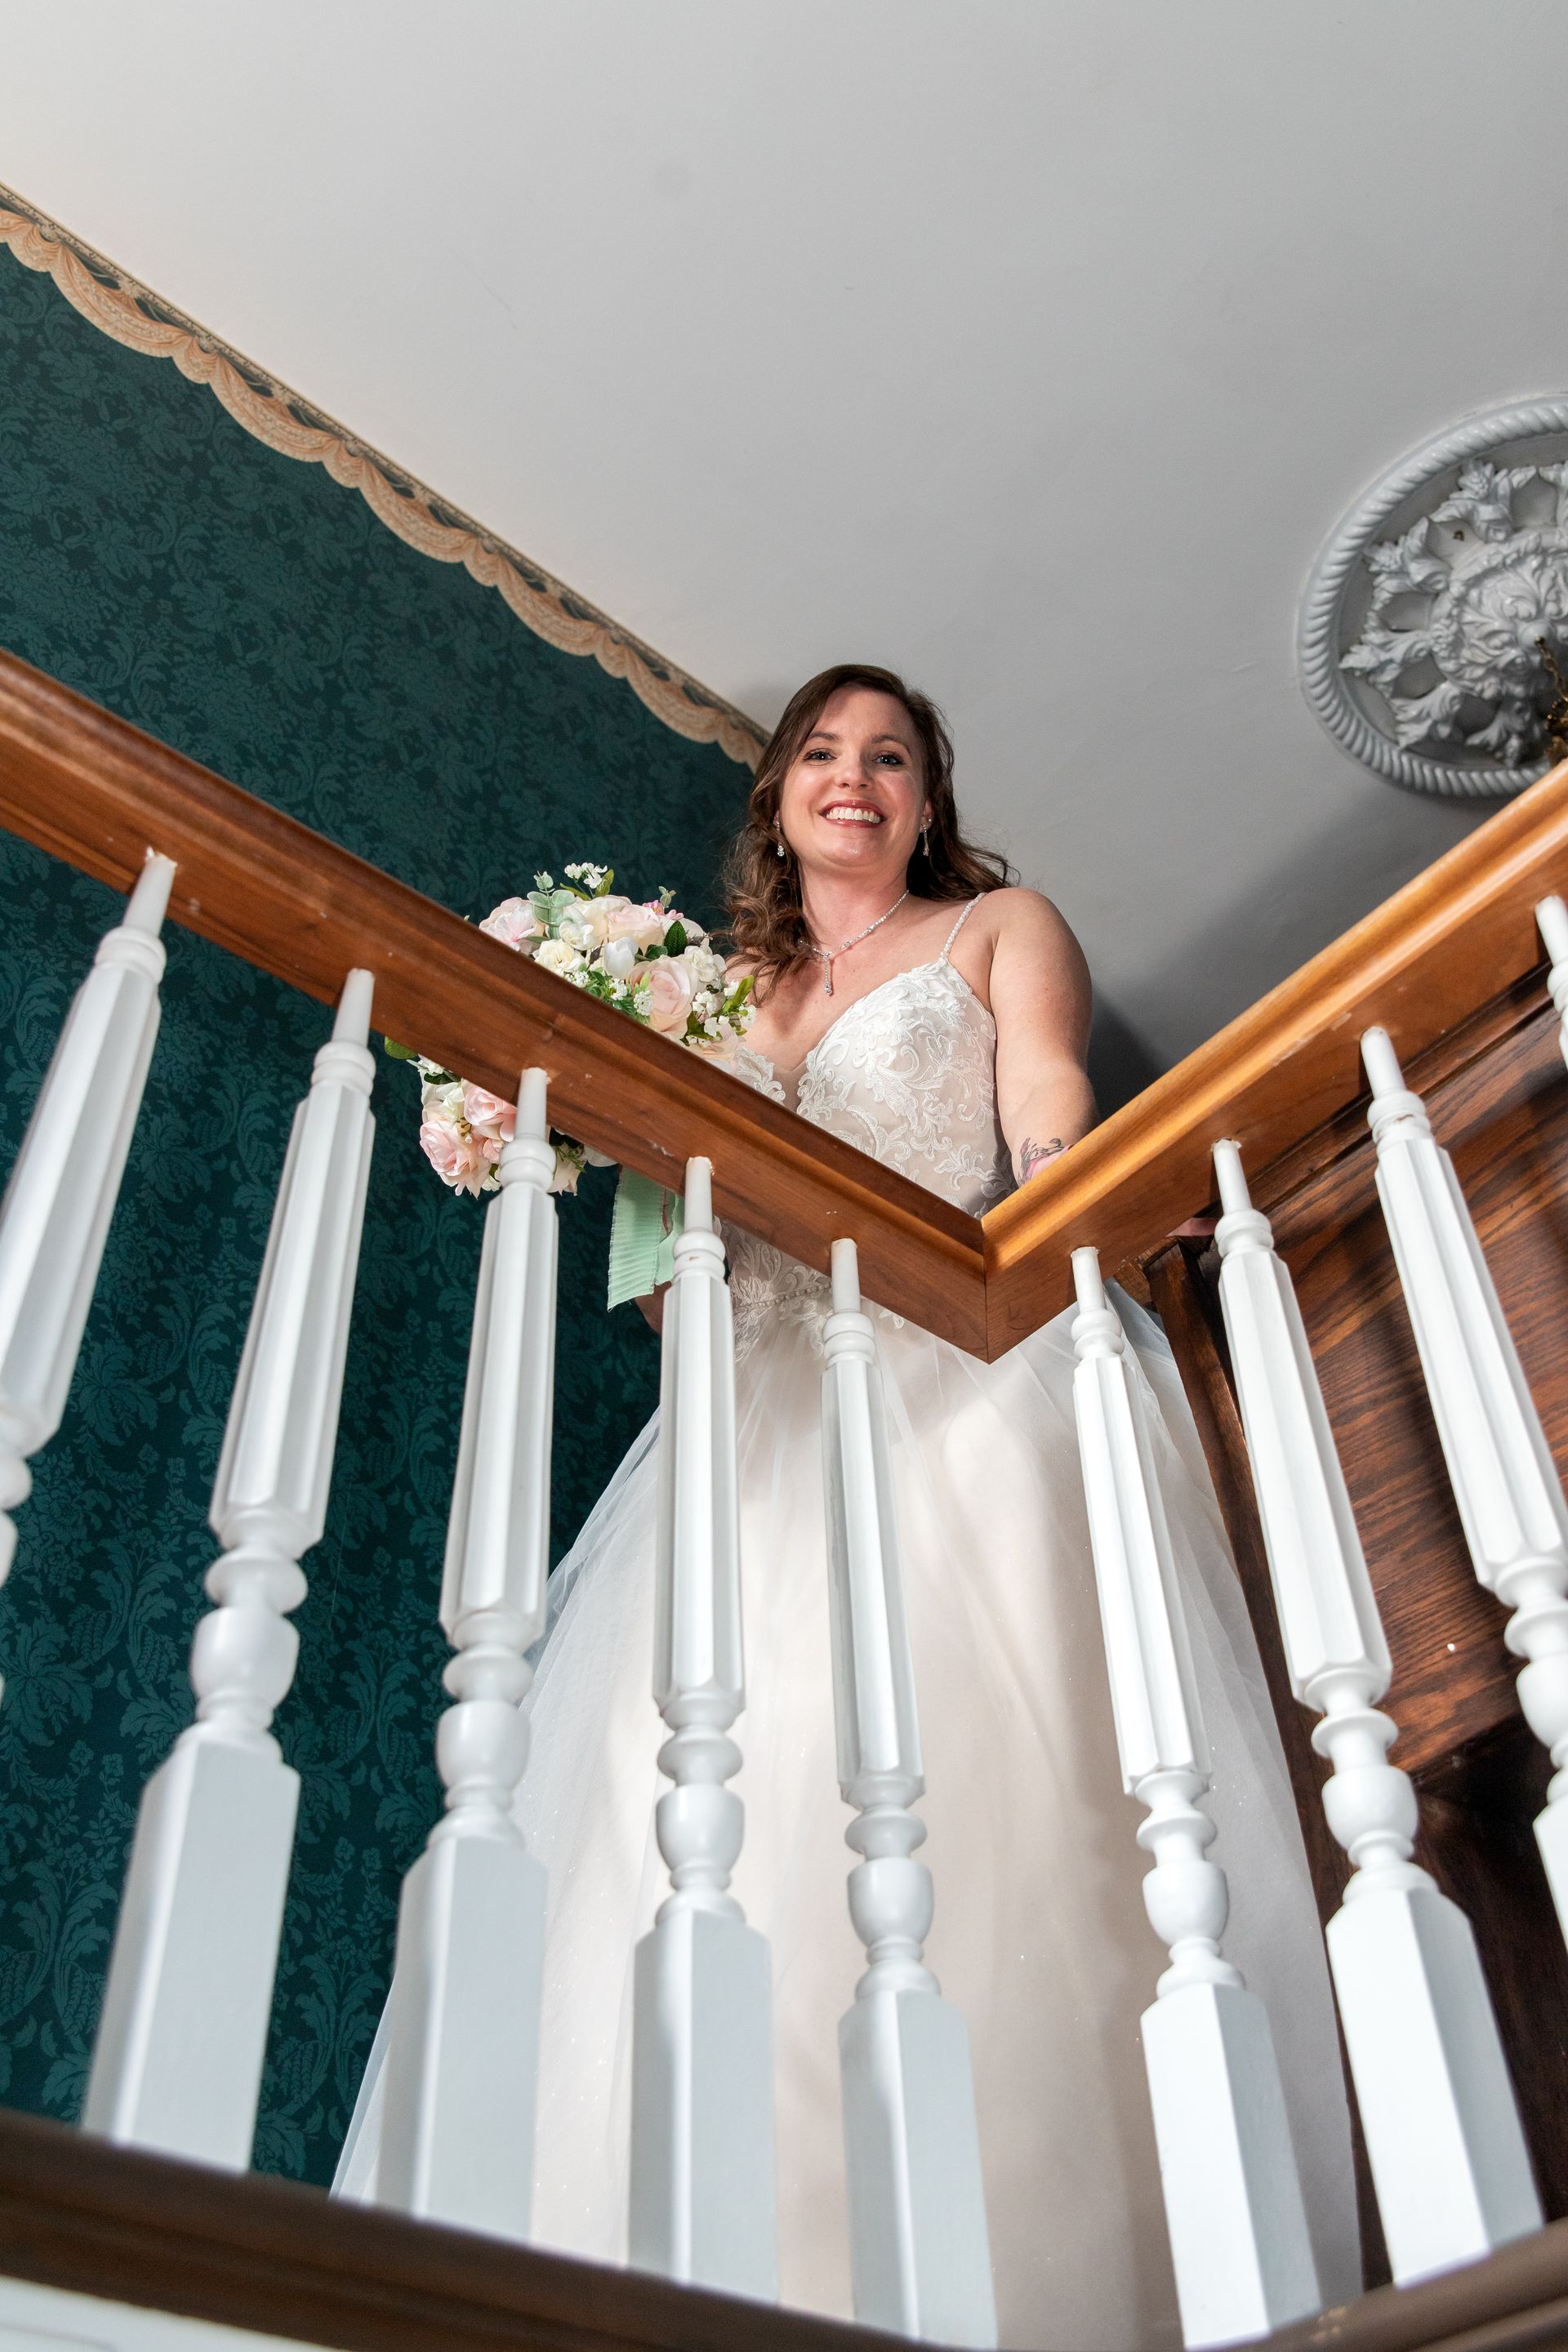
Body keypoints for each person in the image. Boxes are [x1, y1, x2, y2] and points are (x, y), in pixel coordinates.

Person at [339, 664, 1359, 2348]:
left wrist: (1080, 1207)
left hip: (949, 1380)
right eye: (824, 751)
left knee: (973, 1800)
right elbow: (679, 1304)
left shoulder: (996, 931)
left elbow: (1043, 1114)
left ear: (930, 802)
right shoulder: (711, 993)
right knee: (700, 1815)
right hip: (746, 1437)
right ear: (780, 798)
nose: (857, 778)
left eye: (892, 756)